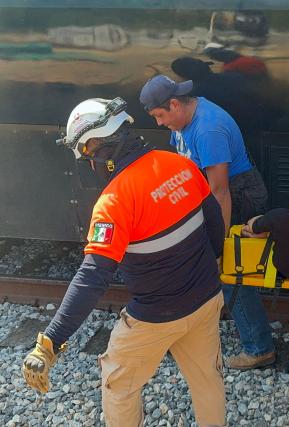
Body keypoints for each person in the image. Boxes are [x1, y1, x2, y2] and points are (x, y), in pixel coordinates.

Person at [21, 98, 226, 426]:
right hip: (206, 299)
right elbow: (215, 227)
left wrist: (51, 340)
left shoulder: (114, 201)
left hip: (154, 317)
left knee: (118, 384)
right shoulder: (179, 164)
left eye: (87, 156)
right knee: (208, 380)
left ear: (101, 149)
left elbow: (93, 276)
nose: (89, 166)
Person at [140, 74, 275, 370]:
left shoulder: (208, 129)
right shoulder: (186, 120)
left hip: (237, 197)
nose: (160, 124)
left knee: (232, 271)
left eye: (160, 116)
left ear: (175, 104)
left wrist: (219, 245)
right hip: (213, 193)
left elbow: (221, 191)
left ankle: (260, 348)